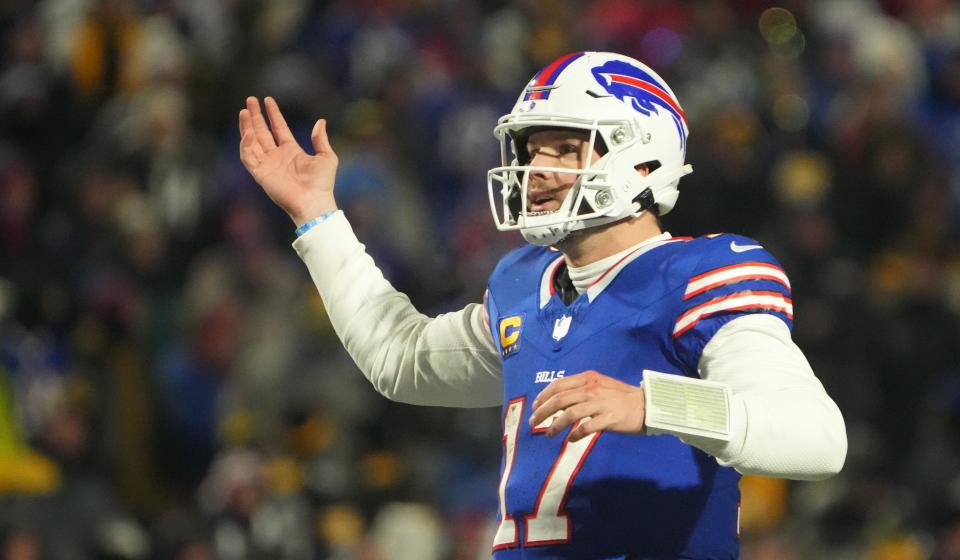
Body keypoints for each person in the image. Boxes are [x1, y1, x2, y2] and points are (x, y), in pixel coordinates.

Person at [238, 51, 847, 559]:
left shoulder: (699, 276)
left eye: (564, 148)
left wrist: (649, 402)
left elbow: (817, 439)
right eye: (531, 150)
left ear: (640, 157)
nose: (537, 170)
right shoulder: (524, 285)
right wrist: (316, 216)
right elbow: (399, 358)